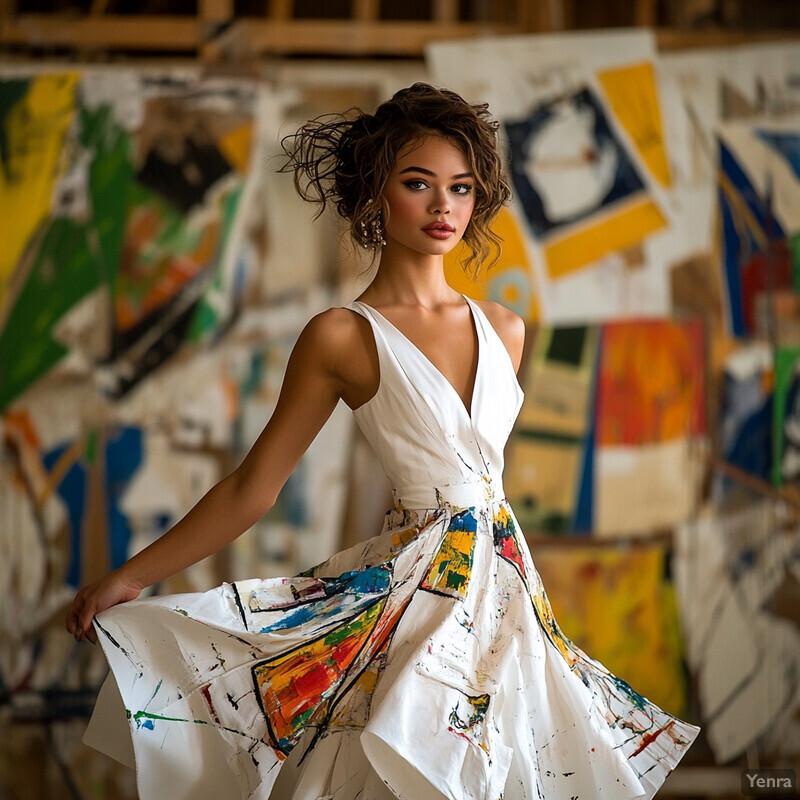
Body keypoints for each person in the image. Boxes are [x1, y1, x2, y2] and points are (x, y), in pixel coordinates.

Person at [67, 83, 700, 800]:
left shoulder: (506, 330)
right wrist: (133, 577)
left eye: (461, 188)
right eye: (418, 184)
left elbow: (479, 481)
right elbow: (255, 488)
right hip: (410, 594)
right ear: (376, 194)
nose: (443, 207)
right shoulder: (344, 335)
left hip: (506, 595)